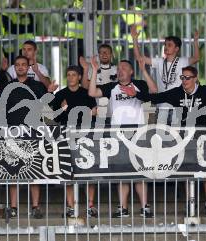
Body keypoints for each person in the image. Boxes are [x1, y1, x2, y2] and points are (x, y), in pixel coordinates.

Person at [121, 65, 206, 216]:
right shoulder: (176, 93)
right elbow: (156, 98)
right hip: (184, 138)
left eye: (187, 78)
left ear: (195, 79)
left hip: (204, 137)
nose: (184, 81)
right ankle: (191, 202)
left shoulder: (205, 91)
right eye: (182, 77)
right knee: (187, 170)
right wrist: (136, 94)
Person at [88, 57, 153, 218]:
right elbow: (92, 92)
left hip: (138, 133)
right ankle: (122, 208)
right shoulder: (112, 87)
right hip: (118, 135)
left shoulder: (140, 84)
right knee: (122, 172)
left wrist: (144, 71)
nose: (120, 70)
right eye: (119, 68)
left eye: (124, 67)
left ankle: (145, 207)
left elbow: (154, 90)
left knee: (140, 171)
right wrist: (95, 70)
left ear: (131, 71)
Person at [0, 55, 47, 219]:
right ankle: (14, 207)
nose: (21, 67)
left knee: (35, 171)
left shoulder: (37, 86)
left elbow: (48, 99)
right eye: (18, 65)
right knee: (13, 170)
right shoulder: (7, 86)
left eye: (24, 64)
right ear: (14, 68)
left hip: (33, 132)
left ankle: (36, 207)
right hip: (12, 133)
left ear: (28, 67)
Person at [50, 66, 98, 218]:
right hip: (66, 136)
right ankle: (71, 207)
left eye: (73, 75)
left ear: (79, 77)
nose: (70, 77)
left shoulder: (86, 94)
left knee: (89, 171)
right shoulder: (60, 95)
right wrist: (61, 110)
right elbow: (51, 117)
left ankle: (90, 205)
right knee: (68, 172)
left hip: (85, 136)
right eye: (68, 75)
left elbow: (94, 114)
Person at [132, 26, 200, 124]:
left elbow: (196, 58)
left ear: (176, 49)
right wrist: (134, 39)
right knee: (161, 135)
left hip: (178, 107)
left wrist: (195, 42)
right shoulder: (159, 61)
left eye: (169, 45)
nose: (166, 47)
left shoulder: (182, 61)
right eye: (165, 45)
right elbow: (139, 58)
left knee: (177, 136)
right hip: (161, 107)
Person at [80, 44, 117, 119]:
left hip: (115, 110)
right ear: (99, 55)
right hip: (97, 110)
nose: (104, 54)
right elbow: (85, 87)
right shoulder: (93, 69)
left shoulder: (118, 70)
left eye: (107, 52)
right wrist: (86, 69)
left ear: (111, 55)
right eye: (102, 52)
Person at [0, 0, 34, 64]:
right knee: (13, 71)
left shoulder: (25, 10)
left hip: (26, 47)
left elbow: (33, 27)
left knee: (27, 71)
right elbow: (12, 29)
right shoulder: (5, 12)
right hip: (11, 49)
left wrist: (20, 28)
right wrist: (26, 28)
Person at [64, 0, 84, 66]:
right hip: (70, 38)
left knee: (81, 65)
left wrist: (75, 14)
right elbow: (67, 17)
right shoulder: (74, 2)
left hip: (83, 39)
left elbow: (85, 18)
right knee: (72, 65)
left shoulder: (93, 3)